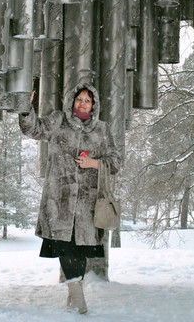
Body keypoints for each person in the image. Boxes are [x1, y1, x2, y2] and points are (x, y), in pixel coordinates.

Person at [19, 82, 121, 315]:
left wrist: (94, 163)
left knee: (80, 248)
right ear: (72, 102)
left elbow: (115, 162)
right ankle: (77, 297)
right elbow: (32, 129)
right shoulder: (58, 121)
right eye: (79, 99)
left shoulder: (102, 129)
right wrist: (26, 107)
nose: (82, 103)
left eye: (87, 100)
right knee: (65, 247)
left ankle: (74, 295)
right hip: (60, 199)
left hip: (87, 202)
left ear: (93, 105)